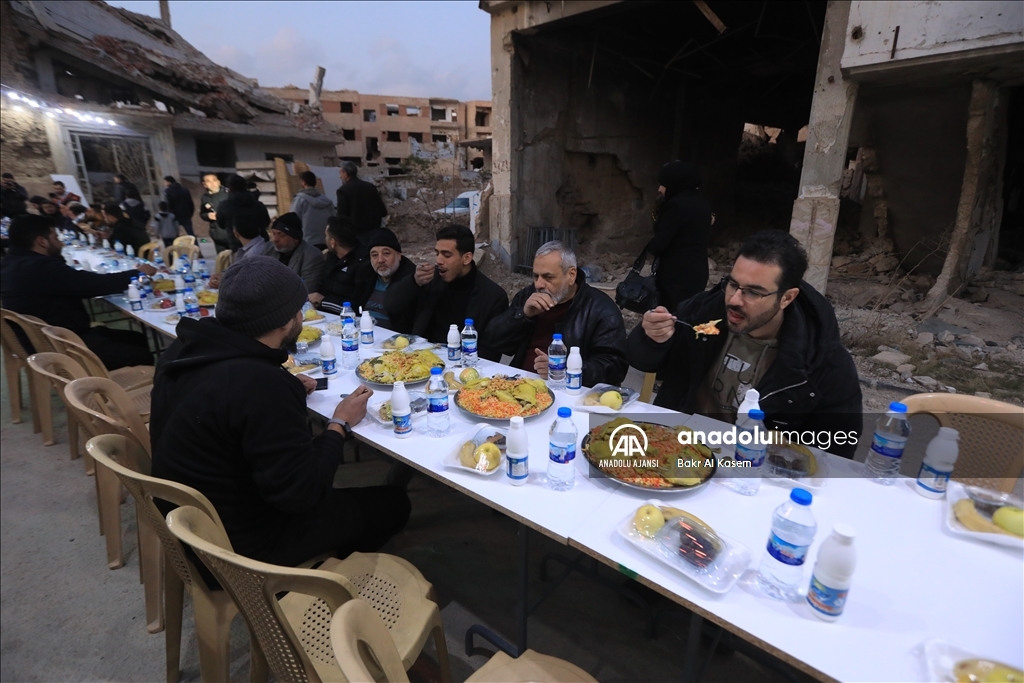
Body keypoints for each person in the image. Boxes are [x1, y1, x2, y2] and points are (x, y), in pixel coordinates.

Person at [150, 256, 410, 572]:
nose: (301, 316)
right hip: (237, 548)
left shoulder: (184, 350)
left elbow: (233, 408)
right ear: (286, 322)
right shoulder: (258, 384)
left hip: (188, 525)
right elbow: (304, 494)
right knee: (393, 504)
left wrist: (282, 391)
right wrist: (338, 423)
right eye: (298, 310)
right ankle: (322, 581)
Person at [627, 229, 862, 458]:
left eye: (753, 292)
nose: (735, 300)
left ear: (787, 298)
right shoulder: (702, 313)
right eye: (733, 284)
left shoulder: (823, 360)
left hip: (753, 471)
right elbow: (644, 361)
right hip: (677, 448)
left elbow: (837, 448)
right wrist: (652, 337)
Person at [0, 214, 156, 366]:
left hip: (40, 340)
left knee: (136, 338)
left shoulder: (10, 263)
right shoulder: (40, 268)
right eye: (55, 238)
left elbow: (78, 282)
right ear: (42, 241)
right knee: (141, 355)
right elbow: (94, 285)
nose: (60, 244)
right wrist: (139, 273)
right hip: (60, 346)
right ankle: (110, 390)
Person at [487, 241, 628, 386]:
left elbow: (615, 368)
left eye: (548, 277)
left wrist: (564, 369)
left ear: (571, 275)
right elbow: (495, 342)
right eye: (536, 276)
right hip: (520, 384)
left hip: (571, 393)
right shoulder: (528, 296)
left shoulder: (601, 309)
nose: (539, 285)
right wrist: (523, 315)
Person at [385, 224, 508, 358]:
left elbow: (491, 353)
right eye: (437, 253)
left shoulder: (492, 296)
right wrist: (414, 282)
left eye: (447, 255)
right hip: (420, 358)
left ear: (466, 258)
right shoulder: (430, 280)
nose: (438, 261)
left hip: (462, 365)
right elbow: (391, 305)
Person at [647, 161, 713, 313]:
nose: (660, 189)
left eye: (663, 184)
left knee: (671, 320)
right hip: (698, 273)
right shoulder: (702, 203)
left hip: (676, 277)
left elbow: (659, 244)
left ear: (674, 183)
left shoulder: (676, 206)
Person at [342, 228, 414, 323]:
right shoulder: (364, 275)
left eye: (386, 253)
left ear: (398, 255)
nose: (380, 260)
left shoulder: (411, 279)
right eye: (374, 255)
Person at [309, 217, 368, 311]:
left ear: (333, 242)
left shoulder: (362, 264)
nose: (325, 239)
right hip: (325, 315)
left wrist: (323, 301)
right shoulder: (332, 257)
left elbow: (357, 306)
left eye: (326, 236)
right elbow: (323, 288)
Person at [261, 212, 326, 291]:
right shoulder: (268, 249)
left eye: (281, 235)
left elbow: (306, 289)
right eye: (274, 234)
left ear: (295, 238)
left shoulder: (312, 256)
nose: (275, 239)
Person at [216, 175, 270, 253]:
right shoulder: (258, 204)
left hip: (236, 244)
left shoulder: (224, 206)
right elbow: (266, 222)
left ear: (229, 188)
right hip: (260, 244)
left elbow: (221, 224)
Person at [336, 161, 387, 240]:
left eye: (340, 173)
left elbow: (342, 217)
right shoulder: (370, 187)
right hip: (374, 233)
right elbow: (382, 211)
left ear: (345, 174)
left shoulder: (343, 190)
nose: (340, 176)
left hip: (356, 235)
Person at [290, 171, 334, 248]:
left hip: (307, 241)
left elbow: (293, 220)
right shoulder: (327, 201)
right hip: (326, 241)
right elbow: (334, 220)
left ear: (303, 182)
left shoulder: (299, 200)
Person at [199, 172, 230, 252]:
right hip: (216, 234)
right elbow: (202, 213)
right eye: (208, 181)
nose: (212, 183)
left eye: (214, 180)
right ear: (204, 184)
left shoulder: (228, 194)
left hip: (231, 233)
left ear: (219, 182)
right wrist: (208, 215)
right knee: (222, 260)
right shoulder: (205, 197)